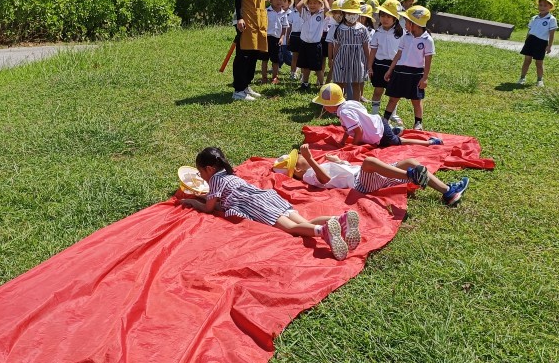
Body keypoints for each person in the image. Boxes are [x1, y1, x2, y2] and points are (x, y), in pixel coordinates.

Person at [181, 147, 361, 260]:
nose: (201, 176)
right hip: (268, 197)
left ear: (209, 169)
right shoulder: (228, 174)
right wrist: (205, 196)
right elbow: (218, 198)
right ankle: (339, 220)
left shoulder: (214, 180)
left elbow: (209, 208)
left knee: (291, 229)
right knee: (303, 223)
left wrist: (193, 201)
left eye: (200, 172)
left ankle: (323, 232)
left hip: (255, 204)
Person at [274, 144, 469, 207]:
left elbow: (343, 170)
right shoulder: (308, 175)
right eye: (299, 158)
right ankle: (412, 176)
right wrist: (311, 159)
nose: (302, 156)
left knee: (410, 161)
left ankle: (448, 192)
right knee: (369, 162)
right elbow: (325, 179)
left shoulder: (314, 168)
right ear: (297, 170)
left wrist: (337, 161)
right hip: (360, 183)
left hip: (366, 176)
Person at [312, 82, 443, 148]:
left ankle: (429, 142)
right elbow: (349, 127)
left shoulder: (344, 113)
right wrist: (343, 141)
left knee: (399, 142)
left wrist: (354, 146)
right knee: (393, 136)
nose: (323, 107)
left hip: (379, 133)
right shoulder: (348, 103)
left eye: (324, 104)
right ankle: (394, 131)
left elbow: (358, 131)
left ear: (331, 105)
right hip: (378, 122)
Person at [384, 6, 434, 131]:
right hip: (400, 71)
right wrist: (390, 70)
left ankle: (418, 123)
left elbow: (428, 60)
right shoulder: (405, 37)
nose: (405, 24)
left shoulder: (427, 40)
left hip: (416, 74)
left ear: (414, 23)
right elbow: (398, 54)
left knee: (416, 100)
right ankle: (385, 121)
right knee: (393, 98)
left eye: (406, 21)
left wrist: (425, 78)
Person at [231, 0, 268, 102]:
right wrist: (239, 17)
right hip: (245, 18)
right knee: (243, 54)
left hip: (257, 19)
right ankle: (238, 89)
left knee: (253, 53)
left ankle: (246, 85)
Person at [331, 0, 370, 106]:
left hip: (357, 60)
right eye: (349, 13)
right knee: (339, 83)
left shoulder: (362, 29)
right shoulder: (339, 28)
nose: (351, 15)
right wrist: (333, 59)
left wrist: (369, 62)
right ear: (343, 13)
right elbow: (337, 45)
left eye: (354, 13)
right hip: (342, 59)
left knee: (356, 83)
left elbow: (366, 46)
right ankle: (338, 105)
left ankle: (355, 106)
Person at [368, 2, 404, 114]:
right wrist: (369, 66)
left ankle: (392, 114)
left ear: (395, 18)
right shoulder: (377, 32)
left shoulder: (401, 33)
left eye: (389, 16)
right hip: (379, 65)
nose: (385, 19)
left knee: (393, 93)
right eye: (382, 16)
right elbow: (373, 50)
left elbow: (403, 51)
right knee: (378, 91)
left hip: (395, 66)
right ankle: (374, 113)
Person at [518, 0, 558, 87]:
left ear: (550, 7)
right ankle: (522, 78)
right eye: (540, 5)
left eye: (545, 5)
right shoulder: (534, 18)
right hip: (531, 41)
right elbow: (529, 31)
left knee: (539, 62)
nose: (542, 7)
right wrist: (526, 41)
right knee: (527, 60)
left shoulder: (551, 19)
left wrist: (549, 46)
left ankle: (540, 80)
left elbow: (552, 34)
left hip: (541, 42)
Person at [296, 0, 329, 91]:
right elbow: (298, 6)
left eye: (315, 3)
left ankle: (322, 86)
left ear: (320, 4)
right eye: (310, 3)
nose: (312, 5)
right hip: (304, 44)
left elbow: (328, 8)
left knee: (317, 67)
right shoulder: (305, 13)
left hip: (315, 45)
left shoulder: (321, 14)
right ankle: (305, 84)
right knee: (305, 66)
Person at [261, 0, 289, 83]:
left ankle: (274, 77)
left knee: (276, 60)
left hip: (277, 39)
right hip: (266, 38)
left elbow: (284, 27)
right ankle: (264, 77)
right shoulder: (266, 11)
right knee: (264, 59)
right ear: (271, 0)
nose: (279, 1)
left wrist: (282, 38)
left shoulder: (284, 14)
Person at [286, 0, 309, 80]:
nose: (299, 0)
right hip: (295, 35)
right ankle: (293, 73)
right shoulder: (293, 12)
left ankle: (303, 75)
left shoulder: (308, 13)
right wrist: (287, 37)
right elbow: (289, 26)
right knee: (294, 56)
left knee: (303, 57)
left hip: (304, 36)